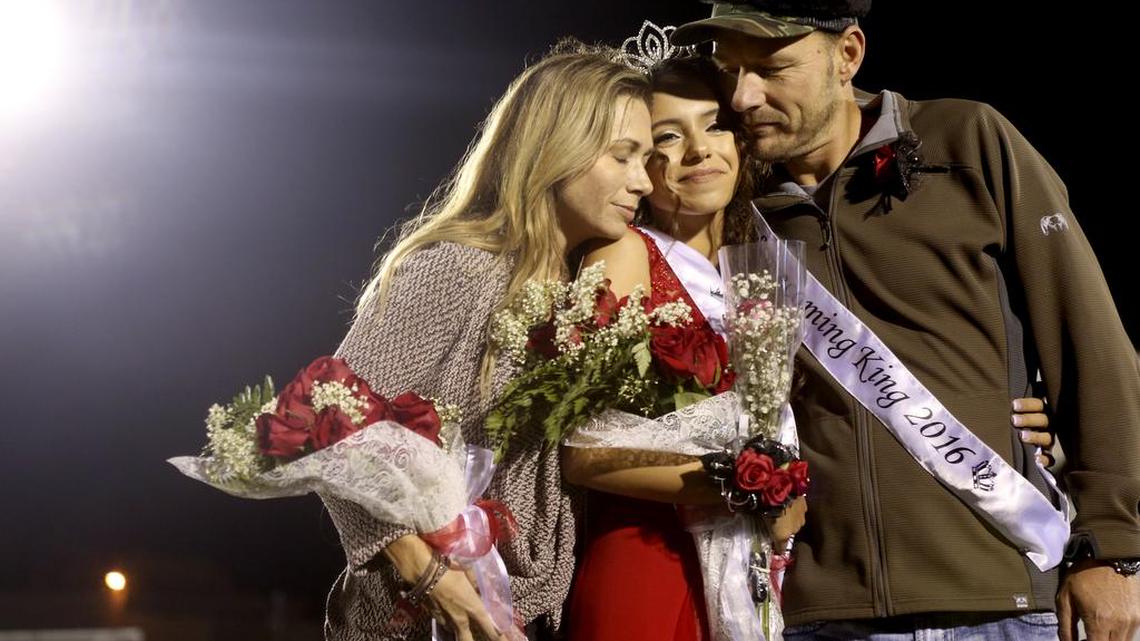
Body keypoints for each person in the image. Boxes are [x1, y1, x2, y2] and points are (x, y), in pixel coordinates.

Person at [561, 30, 1059, 640]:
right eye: (667, 136)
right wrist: (753, 486)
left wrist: (1017, 418)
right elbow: (584, 450)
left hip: (770, 569)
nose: (697, 151)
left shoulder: (764, 251)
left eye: (715, 126)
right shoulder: (624, 254)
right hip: (660, 556)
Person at [671, 2, 1140, 639]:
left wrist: (1113, 547)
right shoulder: (730, 205)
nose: (745, 95)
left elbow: (1092, 348)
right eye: (731, 71)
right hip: (822, 613)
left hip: (1002, 600)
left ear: (848, 54)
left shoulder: (967, 139)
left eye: (772, 67)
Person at [318, 41, 656, 641]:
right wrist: (428, 575)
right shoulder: (459, 266)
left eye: (648, 159)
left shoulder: (584, 290)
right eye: (623, 156)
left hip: (534, 613)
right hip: (416, 619)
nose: (644, 182)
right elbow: (327, 418)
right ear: (558, 148)